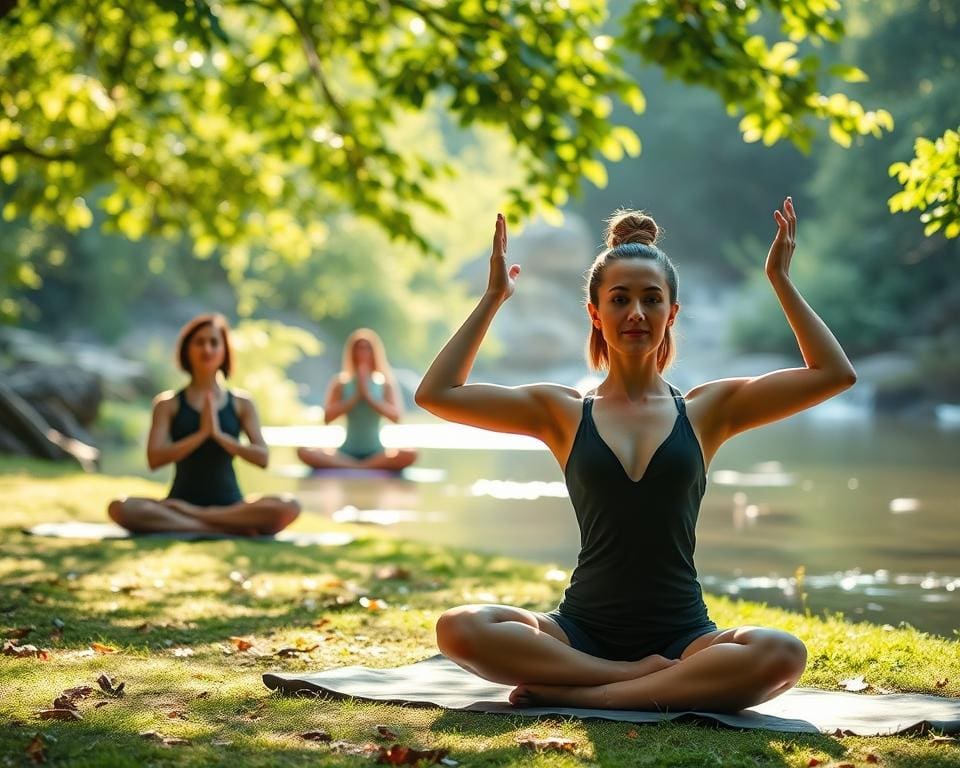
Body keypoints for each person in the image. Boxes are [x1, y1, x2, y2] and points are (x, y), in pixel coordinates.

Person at [414, 199, 856, 713]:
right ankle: (631, 681)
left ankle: (587, 693)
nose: (636, 314)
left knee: (781, 652)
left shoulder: (708, 410)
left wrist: (779, 279)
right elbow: (436, 393)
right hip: (578, 631)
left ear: (672, 313)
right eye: (620, 299)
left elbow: (834, 373)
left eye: (651, 299)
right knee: (460, 627)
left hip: (683, 637)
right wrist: (493, 297)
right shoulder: (561, 412)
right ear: (595, 313)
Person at [108, 313, 301, 535]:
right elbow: (154, 459)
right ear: (187, 350)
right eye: (199, 342)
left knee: (289, 506)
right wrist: (200, 435)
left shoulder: (241, 403)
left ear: (224, 351)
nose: (207, 349)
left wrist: (220, 436)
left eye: (214, 343)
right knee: (120, 507)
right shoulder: (167, 404)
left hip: (229, 506)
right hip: (179, 500)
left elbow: (262, 457)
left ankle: (198, 519)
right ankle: (220, 528)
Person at [297, 328, 417, 472]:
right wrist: (355, 397)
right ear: (351, 353)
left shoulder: (384, 383)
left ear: (374, 353)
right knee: (305, 451)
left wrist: (368, 396)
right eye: (358, 348)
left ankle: (361, 466)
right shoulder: (340, 383)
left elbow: (396, 417)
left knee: (410, 453)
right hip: (346, 452)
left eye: (367, 348)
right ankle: (357, 466)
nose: (362, 352)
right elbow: (327, 418)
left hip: (376, 452)